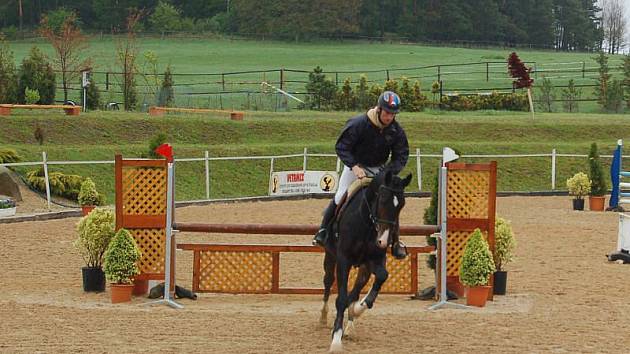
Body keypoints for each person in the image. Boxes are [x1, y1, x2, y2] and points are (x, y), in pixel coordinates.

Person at [312, 91, 409, 259]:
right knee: (341, 195)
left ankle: (396, 242)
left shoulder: (396, 130)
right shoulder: (359, 124)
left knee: (390, 202)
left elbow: (401, 155)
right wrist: (354, 166)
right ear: (378, 109)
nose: (389, 117)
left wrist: (388, 172)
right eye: (387, 113)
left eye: (393, 114)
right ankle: (323, 230)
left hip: (380, 169)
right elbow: (342, 146)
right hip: (356, 167)